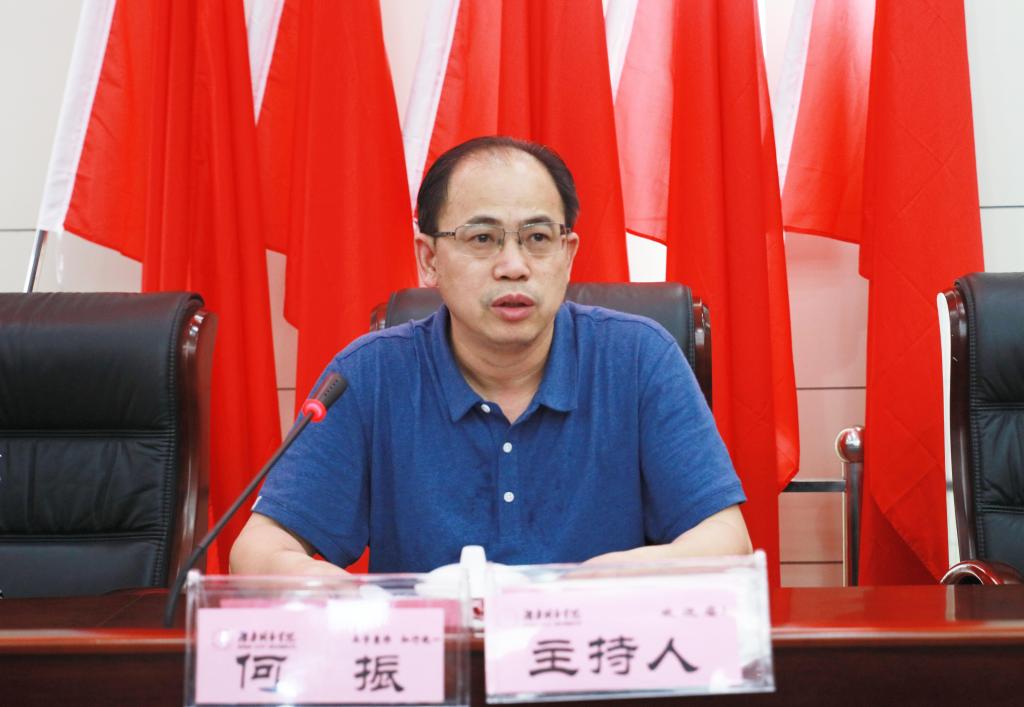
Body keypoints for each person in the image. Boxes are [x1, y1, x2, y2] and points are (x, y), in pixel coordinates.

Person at [230, 136, 750, 576]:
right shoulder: (370, 375)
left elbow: (726, 540)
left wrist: (592, 585)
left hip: (592, 652)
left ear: (567, 255)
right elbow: (257, 553)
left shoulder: (638, 359)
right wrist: (368, 606)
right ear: (429, 259)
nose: (513, 265)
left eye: (537, 238)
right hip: (436, 659)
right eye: (482, 238)